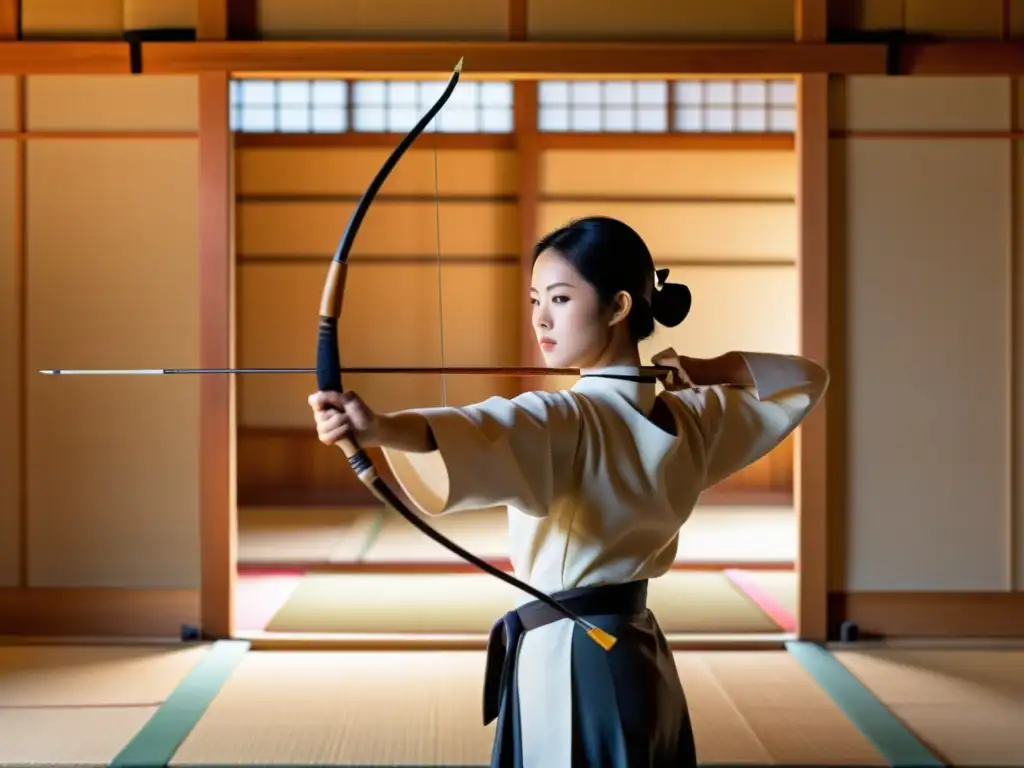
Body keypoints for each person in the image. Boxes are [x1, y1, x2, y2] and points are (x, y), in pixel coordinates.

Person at [308, 215, 829, 768]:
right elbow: (805, 378)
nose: (540, 319)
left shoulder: (566, 417)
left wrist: (379, 429)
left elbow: (484, 427)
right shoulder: (695, 415)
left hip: (570, 659)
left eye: (559, 298)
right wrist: (709, 369)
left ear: (619, 307)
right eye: (535, 300)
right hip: (636, 650)